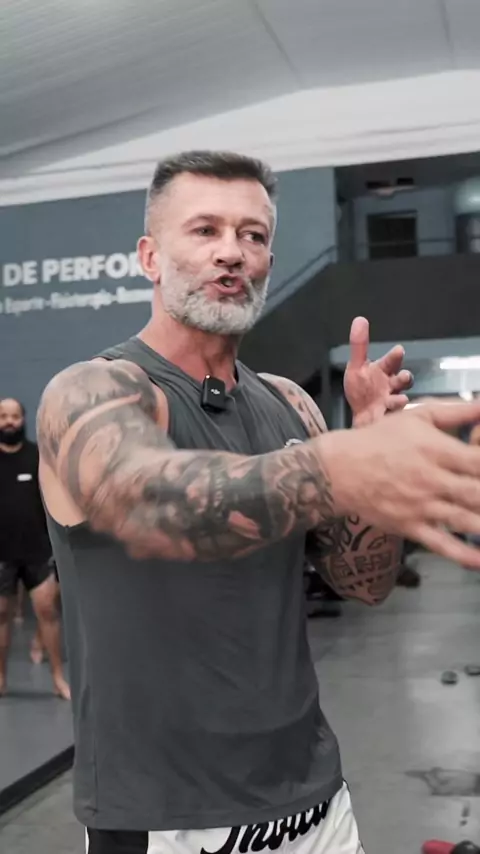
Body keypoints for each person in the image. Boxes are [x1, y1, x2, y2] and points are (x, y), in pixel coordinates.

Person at [36, 151, 480, 854]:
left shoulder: (289, 403)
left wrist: (367, 443)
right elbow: (150, 501)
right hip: (169, 817)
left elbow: (362, 583)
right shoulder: (93, 391)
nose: (231, 252)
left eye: (252, 235)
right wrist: (336, 463)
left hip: (314, 800)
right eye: (204, 230)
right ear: (150, 257)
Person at [0, 398, 70, 699]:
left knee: (47, 612)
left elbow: (54, 500)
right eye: (3, 416)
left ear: (24, 419)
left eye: (14, 416)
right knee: (2, 616)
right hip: (2, 554)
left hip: (37, 551)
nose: (9, 421)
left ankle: (58, 678)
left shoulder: (37, 457)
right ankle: (0, 679)